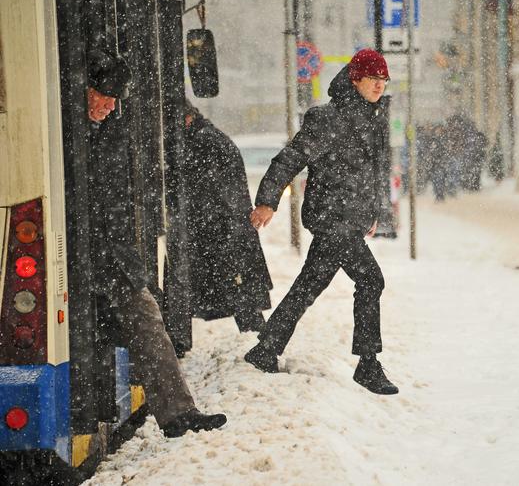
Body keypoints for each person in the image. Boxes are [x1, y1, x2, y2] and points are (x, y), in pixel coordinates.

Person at [86, 49, 226, 436]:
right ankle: (177, 413)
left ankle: (179, 414)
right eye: (103, 96)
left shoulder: (105, 131)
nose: (108, 106)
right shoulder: (67, 136)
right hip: (81, 256)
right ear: (84, 89)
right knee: (144, 320)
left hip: (108, 256)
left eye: (114, 100)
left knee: (147, 318)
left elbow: (111, 204)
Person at [243, 48, 398, 395]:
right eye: (373, 79)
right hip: (332, 218)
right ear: (355, 79)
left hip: (349, 220)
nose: (379, 86)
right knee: (371, 281)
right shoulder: (329, 118)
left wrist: (372, 213)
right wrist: (268, 200)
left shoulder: (374, 118)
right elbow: (290, 158)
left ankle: (266, 347)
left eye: (383, 80)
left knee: (309, 285)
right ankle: (368, 365)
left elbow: (370, 174)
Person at [183, 103, 273, 333]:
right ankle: (263, 346)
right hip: (227, 229)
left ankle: (264, 349)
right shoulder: (208, 137)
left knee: (241, 296)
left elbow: (207, 192)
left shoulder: (204, 141)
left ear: (186, 119)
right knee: (242, 297)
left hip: (225, 231)